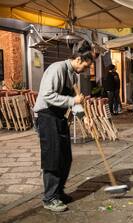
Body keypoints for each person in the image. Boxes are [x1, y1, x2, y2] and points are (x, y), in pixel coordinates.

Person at [33, 40, 94, 212]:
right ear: (79, 60)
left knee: (66, 157)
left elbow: (74, 103)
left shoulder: (73, 75)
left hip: (59, 117)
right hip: (46, 116)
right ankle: (49, 198)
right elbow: (47, 95)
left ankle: (58, 192)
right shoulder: (57, 68)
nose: (86, 70)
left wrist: (83, 117)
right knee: (53, 158)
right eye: (86, 66)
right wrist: (73, 100)